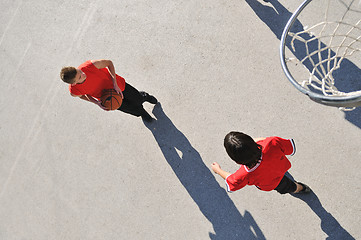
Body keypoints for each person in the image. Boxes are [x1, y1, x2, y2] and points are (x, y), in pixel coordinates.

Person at [211, 131, 310, 195]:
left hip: (272, 183)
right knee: (287, 180)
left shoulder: (244, 174)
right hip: (280, 167)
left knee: (289, 187)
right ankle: (300, 187)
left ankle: (299, 188)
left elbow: (231, 181)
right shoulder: (272, 142)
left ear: (237, 161)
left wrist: (218, 171)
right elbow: (289, 148)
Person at [60, 59, 157, 122]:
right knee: (132, 109)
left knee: (137, 99)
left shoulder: (90, 66)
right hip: (108, 99)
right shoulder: (74, 91)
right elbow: (81, 95)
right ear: (74, 83)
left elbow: (109, 63)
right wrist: (96, 102)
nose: (83, 74)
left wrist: (115, 83)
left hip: (118, 86)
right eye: (80, 77)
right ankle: (142, 113)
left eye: (79, 71)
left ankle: (144, 96)